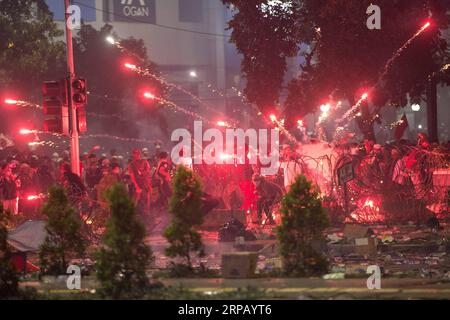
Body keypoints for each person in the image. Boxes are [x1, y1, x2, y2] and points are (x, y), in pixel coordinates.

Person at [128, 149, 152, 213]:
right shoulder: (131, 164)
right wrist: (136, 186)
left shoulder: (144, 161)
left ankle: (147, 213)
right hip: (138, 184)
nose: (137, 155)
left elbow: (148, 171)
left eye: (138, 153)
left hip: (145, 183)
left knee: (147, 198)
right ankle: (131, 213)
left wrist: (149, 183)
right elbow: (132, 176)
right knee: (136, 199)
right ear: (133, 155)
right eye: (135, 154)